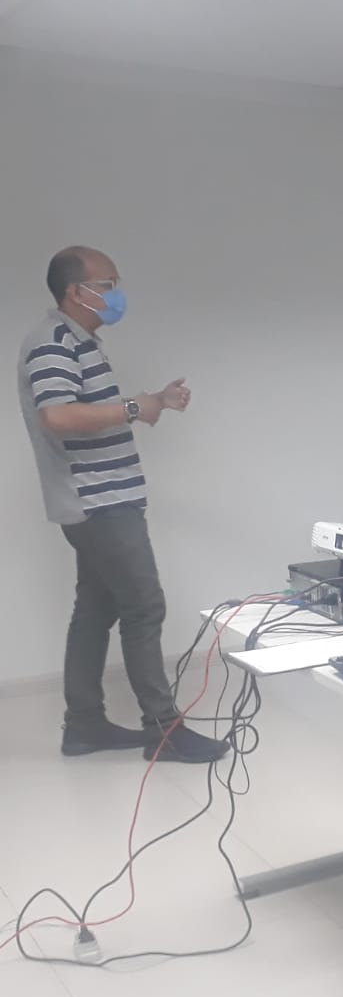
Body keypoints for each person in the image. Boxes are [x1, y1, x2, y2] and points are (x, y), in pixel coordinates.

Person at [17, 246, 226, 764]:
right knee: (144, 606)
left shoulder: (80, 341)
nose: (116, 294)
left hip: (105, 499)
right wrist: (135, 406)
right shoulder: (53, 342)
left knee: (96, 607)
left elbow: (89, 411)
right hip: (98, 502)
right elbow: (58, 416)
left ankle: (84, 726)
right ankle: (163, 730)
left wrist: (151, 402)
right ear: (75, 292)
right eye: (107, 285)